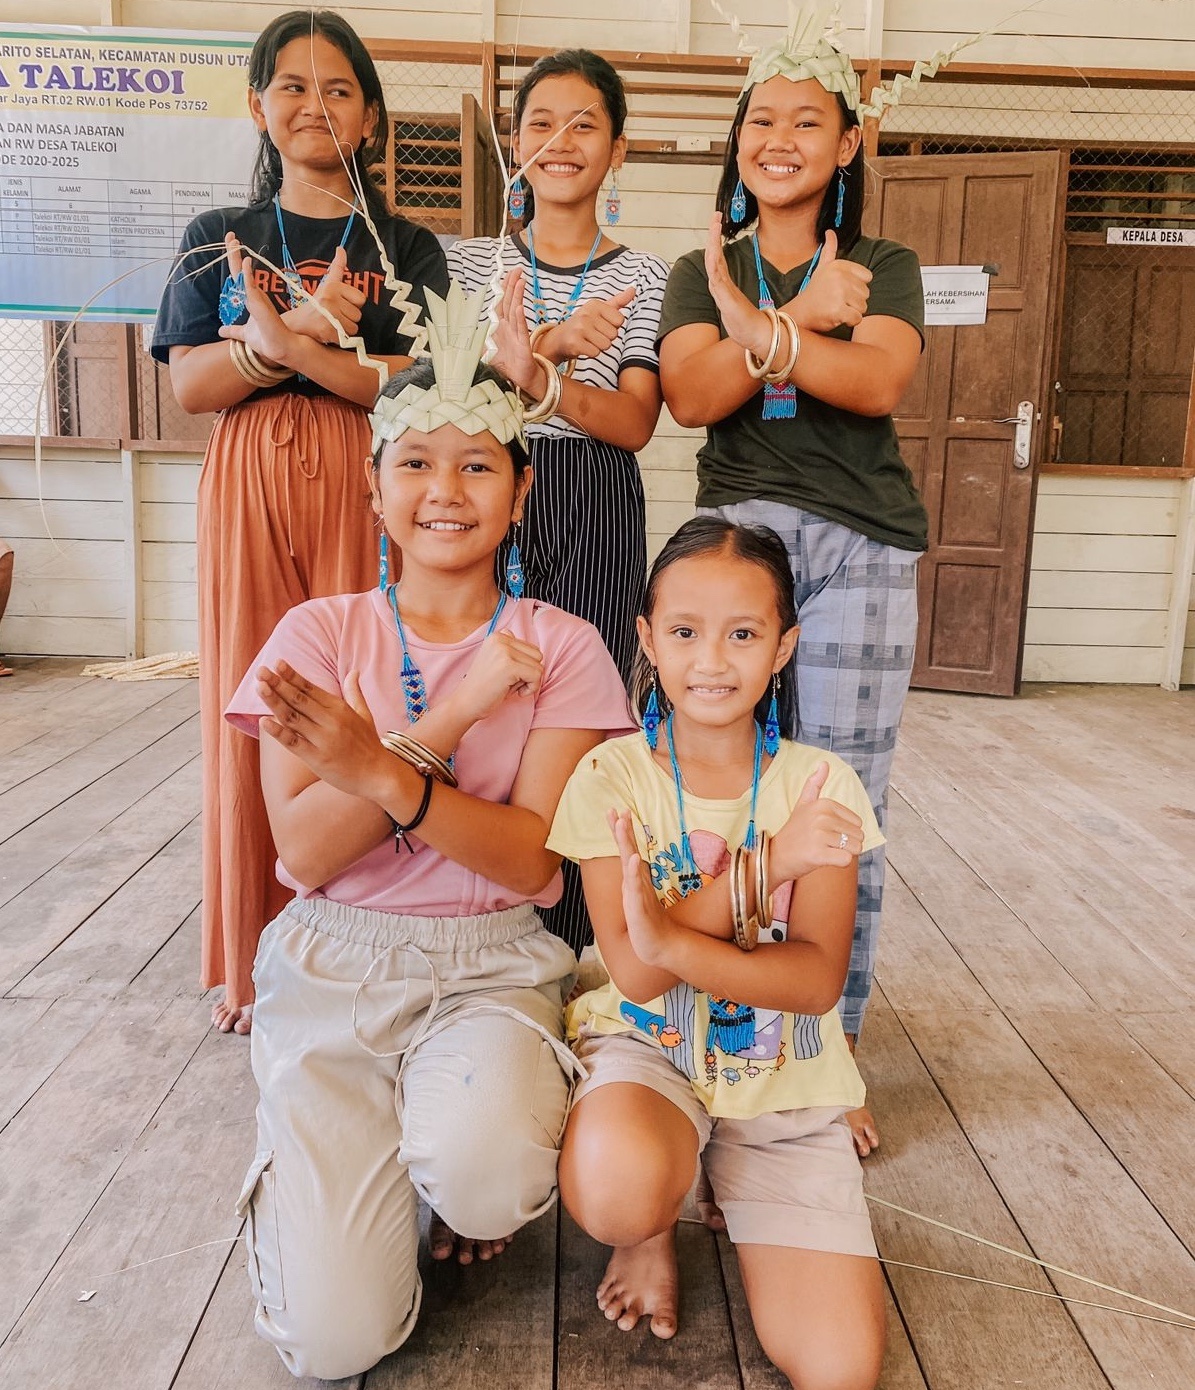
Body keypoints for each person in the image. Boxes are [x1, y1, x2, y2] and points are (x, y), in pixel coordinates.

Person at [223, 282, 635, 1380]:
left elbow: (532, 861)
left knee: (491, 1168)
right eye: (414, 462)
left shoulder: (565, 645)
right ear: (374, 487)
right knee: (330, 1343)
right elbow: (305, 856)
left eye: (477, 464)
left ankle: (443, 1154)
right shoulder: (314, 632)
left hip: (494, 960)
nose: (444, 490)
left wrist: (378, 772)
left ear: (521, 486)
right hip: (334, 971)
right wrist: (445, 721)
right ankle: (344, 1147)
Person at [655, 16, 927, 1154]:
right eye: (761, 120)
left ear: (847, 144)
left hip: (863, 544)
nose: (780, 139)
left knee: (838, 807)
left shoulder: (887, 266)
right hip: (736, 545)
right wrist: (799, 324)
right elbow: (687, 391)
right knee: (720, 794)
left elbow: (875, 381)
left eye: (806, 121)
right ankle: (713, 1026)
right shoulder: (692, 267)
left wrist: (769, 333)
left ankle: (830, 1045)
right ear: (736, 141)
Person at [151, 9, 448, 1034]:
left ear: (367, 116)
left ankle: (351, 942)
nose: (312, 105)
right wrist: (274, 350)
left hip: (365, 482)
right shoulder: (213, 239)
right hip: (245, 483)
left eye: (337, 89)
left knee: (358, 701)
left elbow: (419, 385)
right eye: (291, 85)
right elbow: (191, 385)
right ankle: (250, 956)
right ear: (257, 105)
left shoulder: (404, 247)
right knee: (251, 696)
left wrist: (301, 341)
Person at [549, 517, 885, 1386]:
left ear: (783, 647)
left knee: (841, 1370)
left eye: (743, 634)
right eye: (685, 632)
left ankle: (729, 1178)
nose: (711, 660)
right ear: (646, 639)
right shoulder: (610, 778)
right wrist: (766, 866)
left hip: (783, 1082)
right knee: (619, 1189)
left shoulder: (819, 785)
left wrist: (669, 934)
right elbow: (631, 974)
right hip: (648, 1049)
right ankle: (654, 1221)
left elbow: (812, 984)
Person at [448, 47, 668, 956]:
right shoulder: (465, 264)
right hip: (480, 489)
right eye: (540, 123)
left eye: (585, 124)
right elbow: (449, 387)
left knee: (588, 702)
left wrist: (535, 378)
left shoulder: (648, 277)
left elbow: (632, 422)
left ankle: (579, 938)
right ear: (513, 143)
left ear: (618, 148)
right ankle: (478, 913)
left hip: (593, 496)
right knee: (478, 689)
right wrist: (546, 343)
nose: (561, 141)